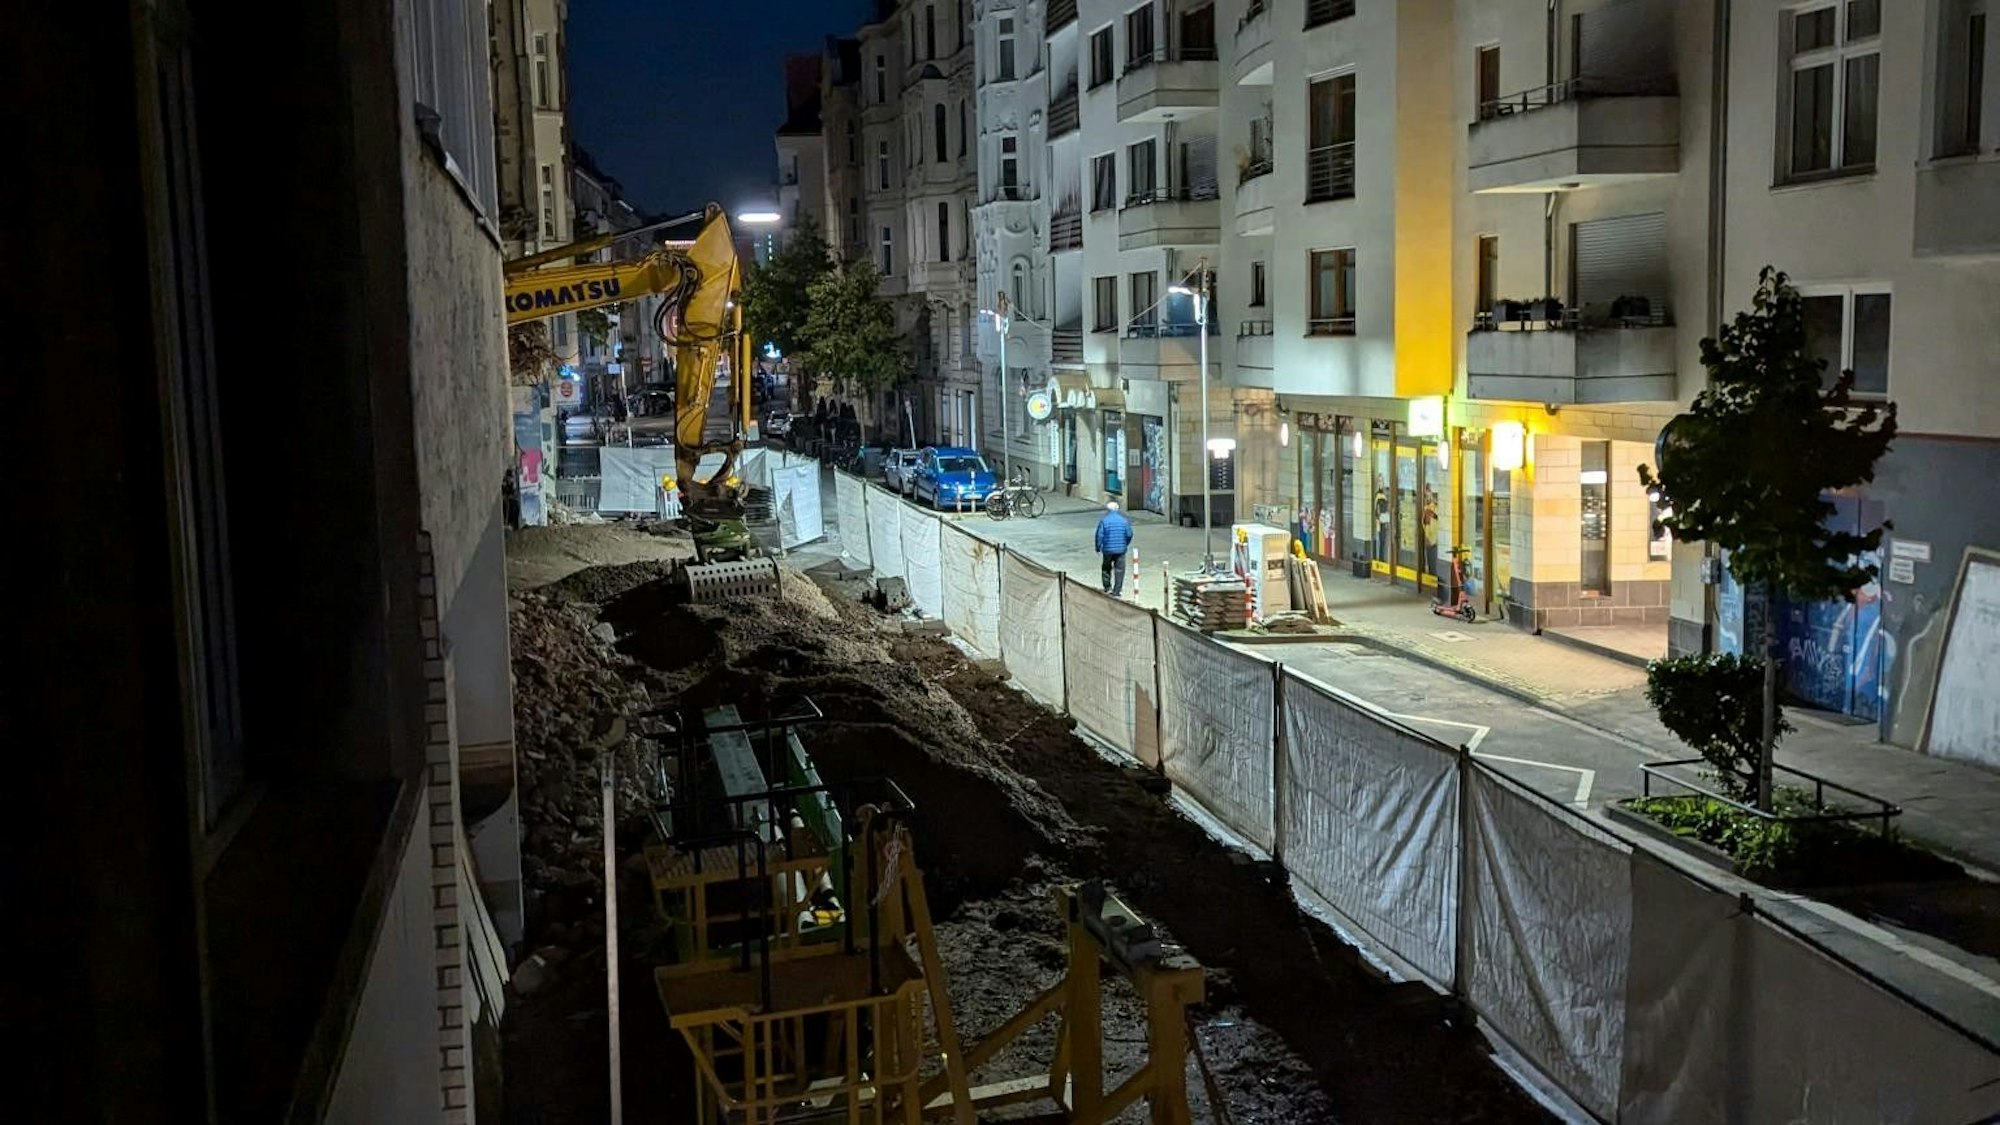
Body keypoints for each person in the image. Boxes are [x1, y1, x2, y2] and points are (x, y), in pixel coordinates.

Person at [1095, 500, 1134, 596]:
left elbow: (1099, 535)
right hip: (1121, 550)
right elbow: (1129, 534)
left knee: (1106, 568)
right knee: (1120, 570)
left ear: (1108, 510)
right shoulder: (1124, 521)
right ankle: (1117, 591)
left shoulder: (1104, 521)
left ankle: (1107, 587)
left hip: (1107, 550)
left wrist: (1098, 547)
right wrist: (1125, 544)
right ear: (1117, 509)